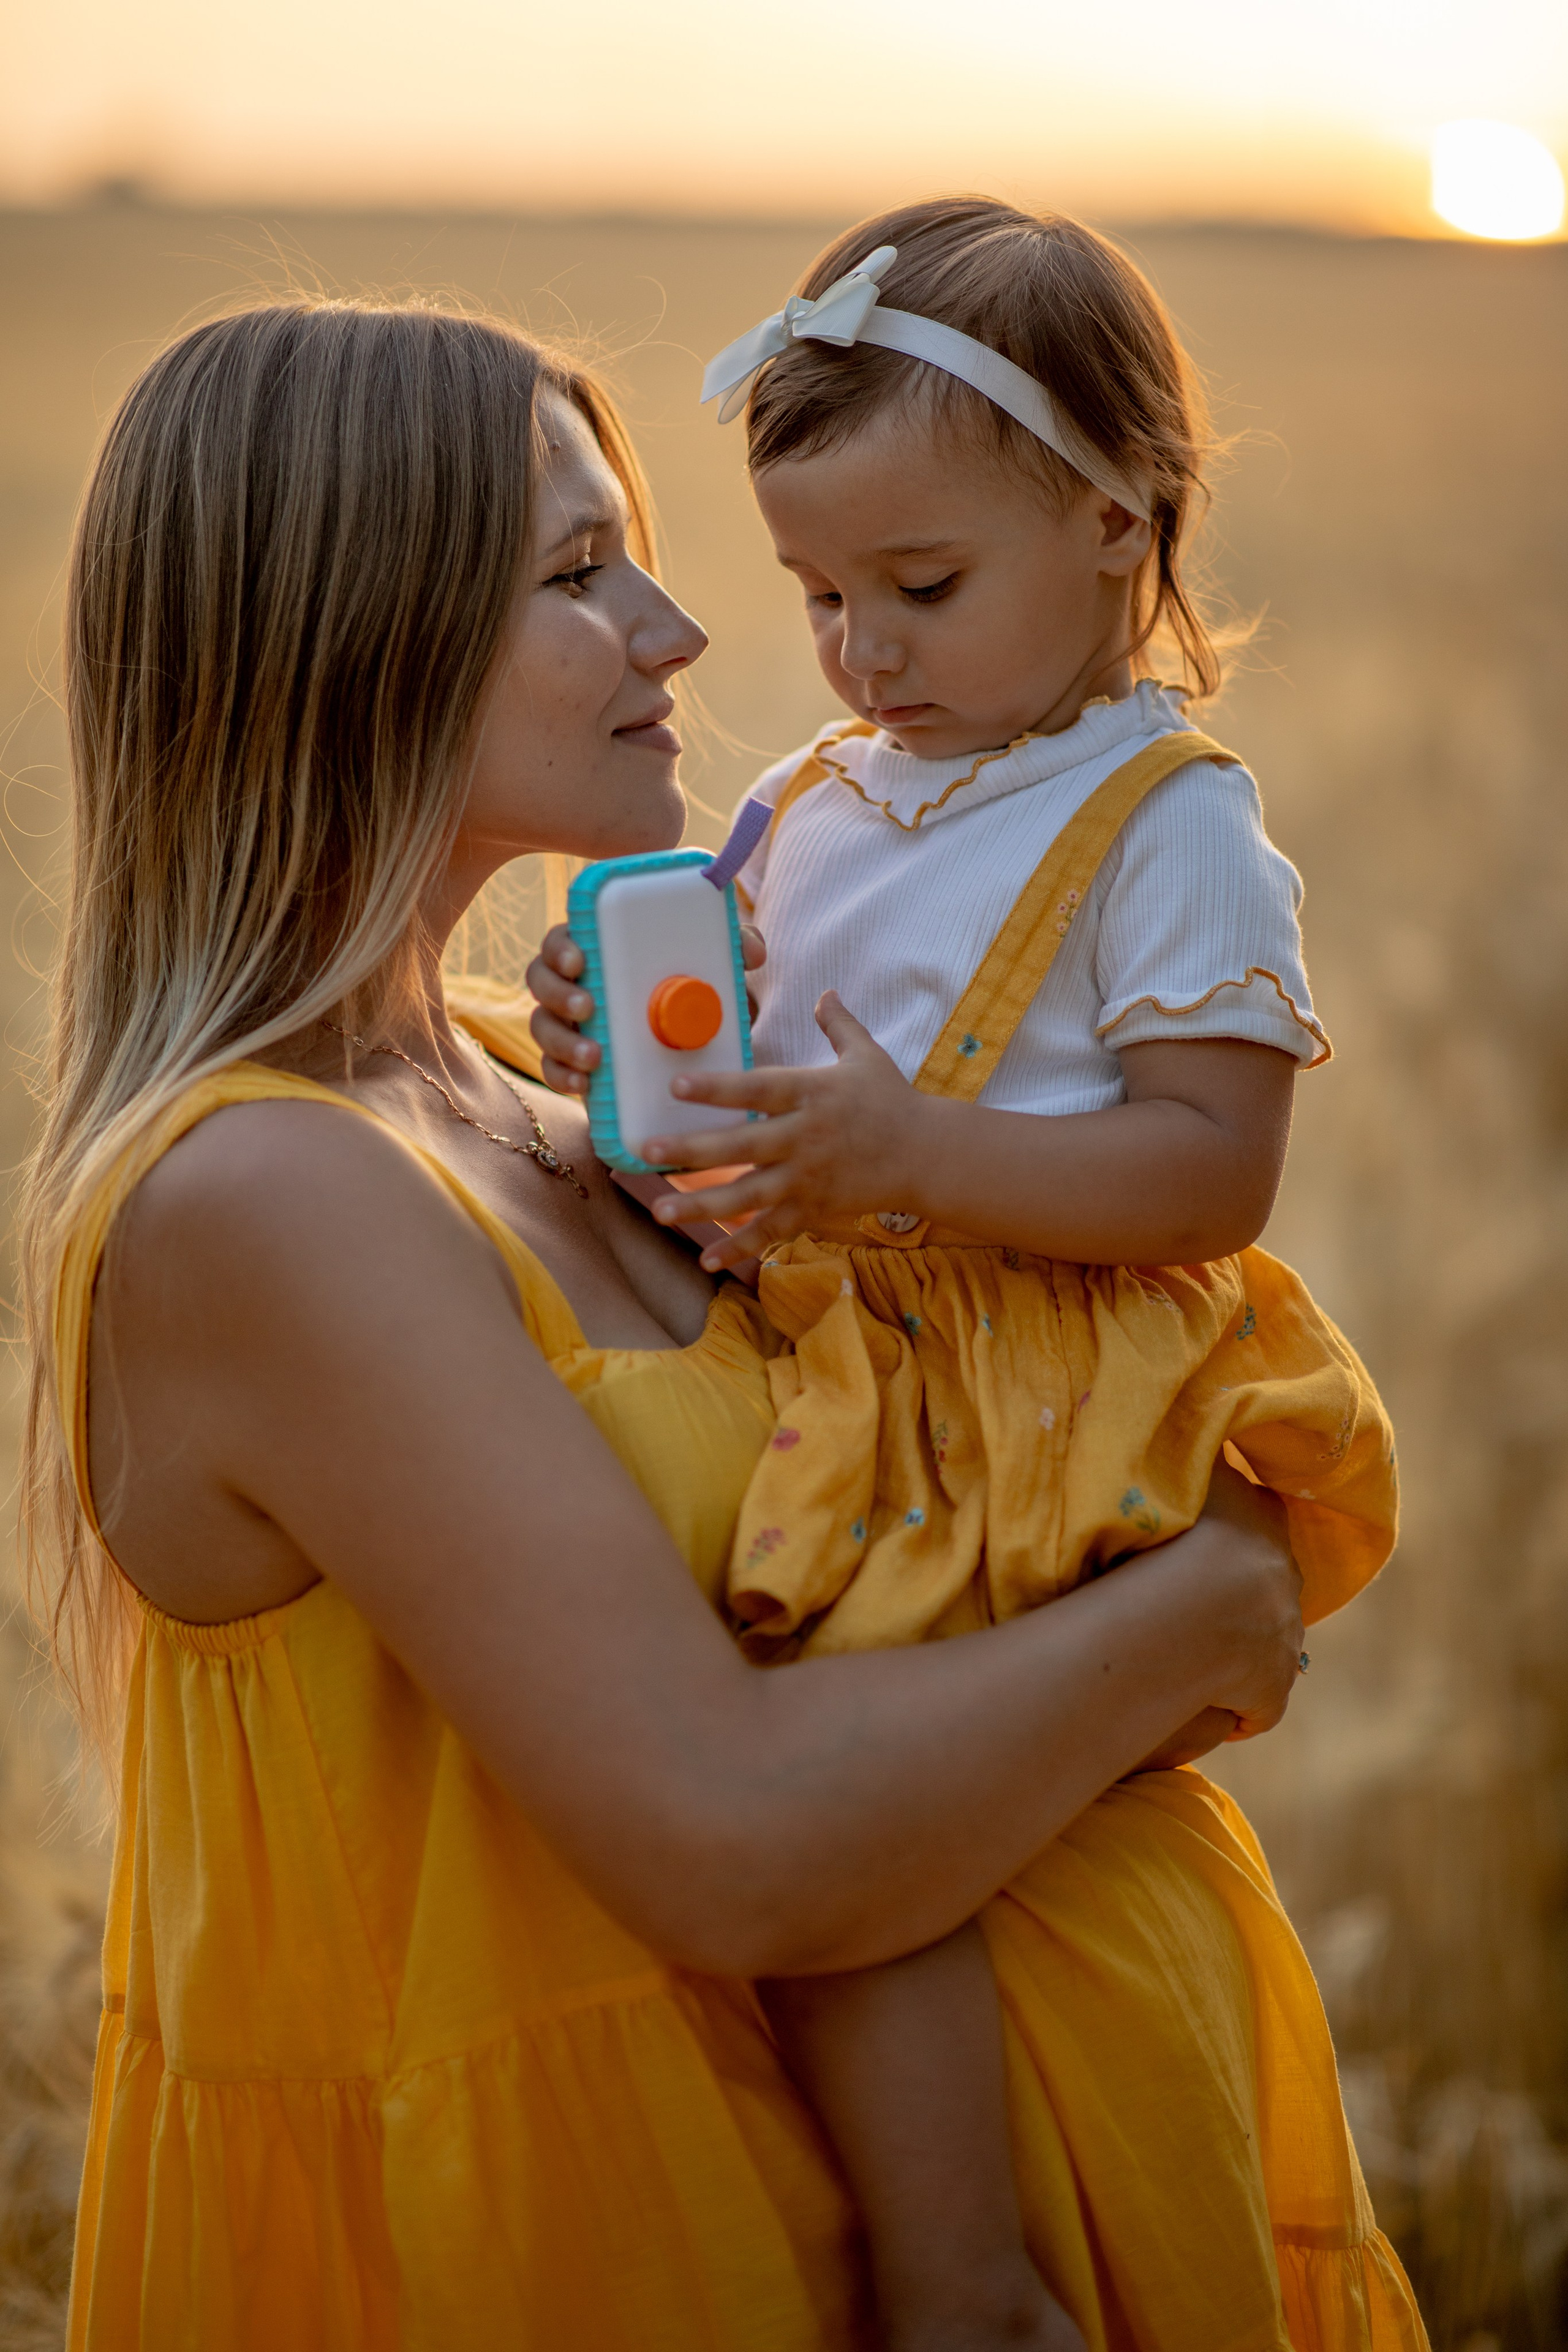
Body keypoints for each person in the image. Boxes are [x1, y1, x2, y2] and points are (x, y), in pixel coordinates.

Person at [21, 295, 1314, 2352]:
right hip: (601, 2259)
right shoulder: (267, 1194)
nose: (681, 628)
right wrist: (1218, 1598)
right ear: (347, 631)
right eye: (570, 572)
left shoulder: (547, 1105)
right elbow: (738, 1845)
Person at [527, 202, 1420, 2351]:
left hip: (1030, 1383)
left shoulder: (1168, 820)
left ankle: (968, 2283)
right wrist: (628, 1049)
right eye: (819, 598)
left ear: (1119, 524)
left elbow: (1215, 1174)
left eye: (920, 590)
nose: (858, 657)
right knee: (805, 1773)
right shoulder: (825, 800)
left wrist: (912, 1158)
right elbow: (747, 1085)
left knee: (846, 1756)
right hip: (831, 1348)